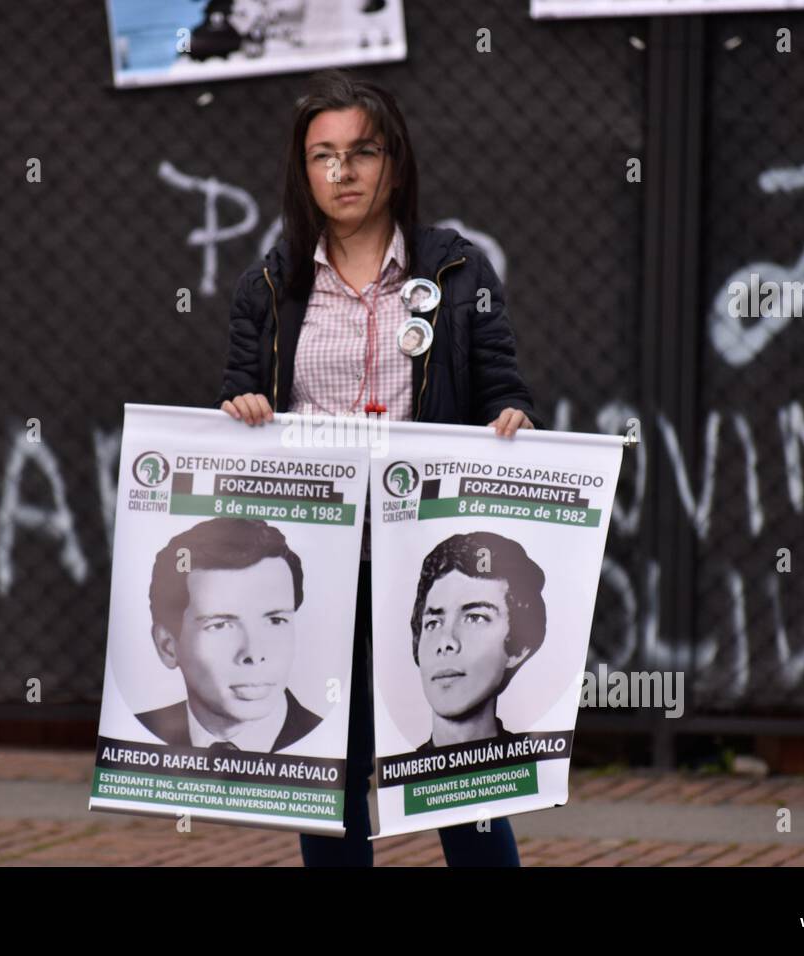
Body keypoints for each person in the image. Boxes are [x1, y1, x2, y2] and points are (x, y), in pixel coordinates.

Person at [217, 69, 542, 866]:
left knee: (456, 773)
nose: (342, 172)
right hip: (318, 571)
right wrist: (244, 410)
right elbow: (232, 404)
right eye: (322, 156)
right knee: (329, 781)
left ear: (394, 161)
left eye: (361, 152)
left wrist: (512, 420)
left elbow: (505, 392)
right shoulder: (269, 285)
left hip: (423, 565)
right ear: (303, 171)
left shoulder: (458, 274)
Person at [139, 517, 322, 754]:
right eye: (221, 625)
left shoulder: (334, 745)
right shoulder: (136, 737)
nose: (254, 654)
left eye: (276, 620)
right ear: (167, 646)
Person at [409, 532, 547, 753]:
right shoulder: (401, 779)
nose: (446, 641)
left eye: (474, 618)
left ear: (519, 648)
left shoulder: (531, 771)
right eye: (433, 622)